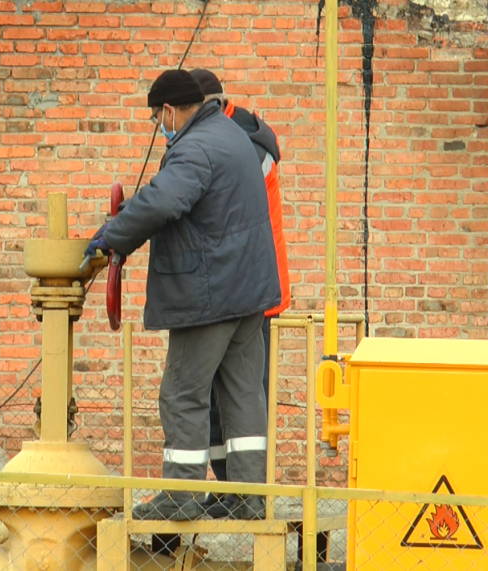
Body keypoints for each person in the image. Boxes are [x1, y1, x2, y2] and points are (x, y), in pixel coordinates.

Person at [85, 69, 281, 521]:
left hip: (211, 295)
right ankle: (250, 496)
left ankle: (181, 494)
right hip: (249, 294)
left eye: (158, 117)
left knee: (182, 393)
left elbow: (163, 202)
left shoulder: (194, 148)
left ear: (170, 110)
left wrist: (111, 237)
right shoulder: (231, 135)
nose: (160, 126)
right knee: (243, 394)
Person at [190, 68, 291, 518]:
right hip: (241, 287)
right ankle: (232, 492)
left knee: (242, 394)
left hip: (252, 291)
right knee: (219, 394)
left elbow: (218, 211)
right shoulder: (238, 137)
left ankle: (246, 495)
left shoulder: (239, 146)